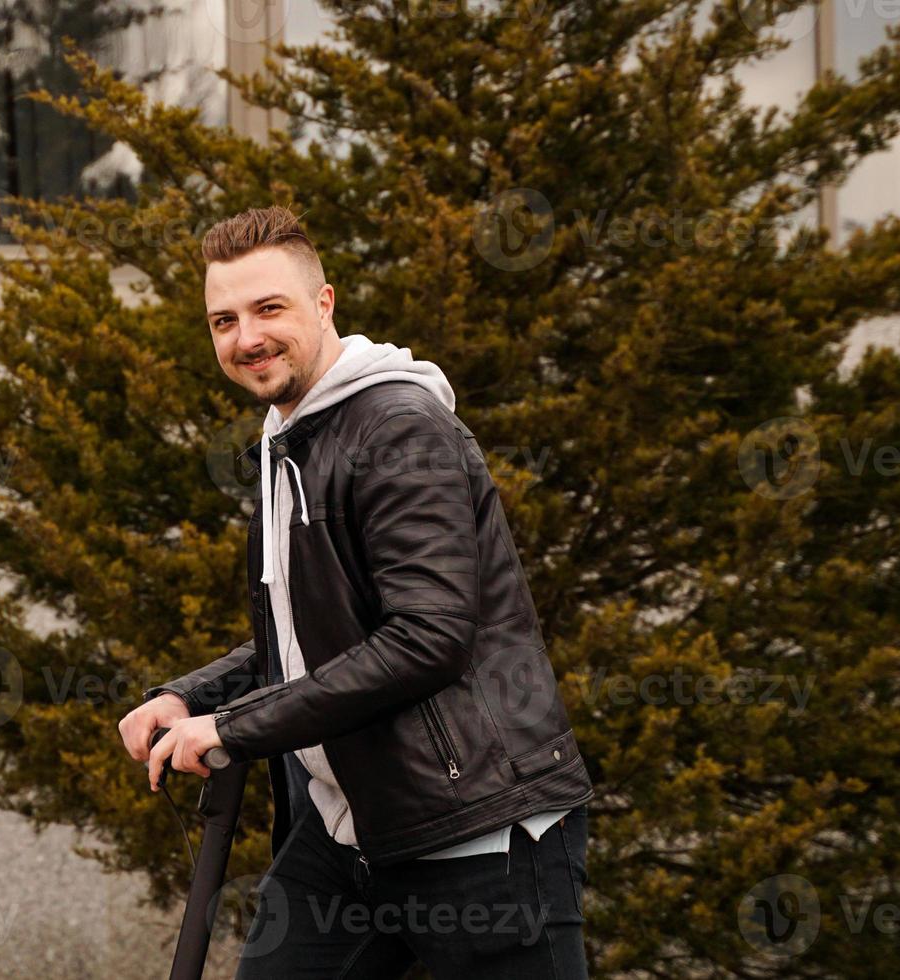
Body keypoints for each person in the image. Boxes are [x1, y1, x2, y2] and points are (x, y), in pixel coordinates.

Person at [117, 205, 595, 978]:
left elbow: (428, 637)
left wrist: (234, 729)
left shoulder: (397, 430)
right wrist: (192, 697)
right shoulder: (292, 438)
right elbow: (309, 629)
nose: (247, 339)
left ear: (325, 303)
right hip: (350, 836)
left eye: (269, 309)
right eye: (223, 320)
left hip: (478, 835)